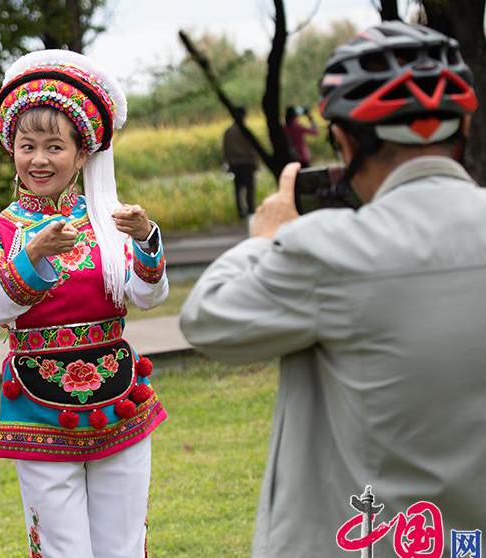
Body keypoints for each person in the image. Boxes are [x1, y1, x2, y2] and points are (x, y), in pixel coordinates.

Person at [180, 22, 486, 557]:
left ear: (345, 139)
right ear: (461, 126)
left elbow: (208, 319)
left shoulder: (329, 250)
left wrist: (269, 237)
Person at [0, 49, 170, 557]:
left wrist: (146, 240)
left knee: (125, 544)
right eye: (27, 145)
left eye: (54, 146)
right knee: (61, 548)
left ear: (81, 155)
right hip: (37, 402)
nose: (38, 160)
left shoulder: (108, 219)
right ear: (12, 150)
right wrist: (30, 257)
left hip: (120, 396)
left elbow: (147, 296)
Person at [222, 107, 258, 218]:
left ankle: (240, 212)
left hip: (234, 163)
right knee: (250, 188)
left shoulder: (228, 132)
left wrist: (228, 162)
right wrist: (255, 161)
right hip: (247, 162)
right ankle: (251, 210)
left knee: (238, 189)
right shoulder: (245, 131)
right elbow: (253, 148)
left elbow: (225, 149)